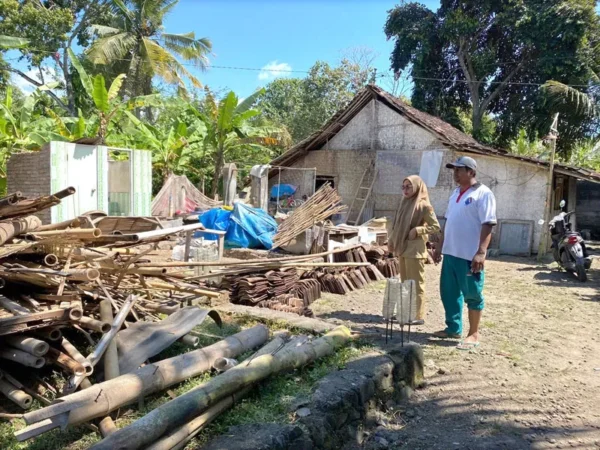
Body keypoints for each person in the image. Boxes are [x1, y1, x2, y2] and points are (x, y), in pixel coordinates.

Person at [433, 156, 497, 350]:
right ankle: (453, 328)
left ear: (471, 172)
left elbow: (488, 224)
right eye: (454, 170)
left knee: (472, 294)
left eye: (459, 170)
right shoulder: (454, 194)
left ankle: (473, 333)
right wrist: (439, 247)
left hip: (469, 255)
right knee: (449, 293)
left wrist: (481, 252)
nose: (456, 174)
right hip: (451, 253)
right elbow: (448, 221)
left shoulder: (483, 194)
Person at [389, 175, 440, 325]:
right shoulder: (404, 203)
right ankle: (405, 312)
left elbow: (436, 226)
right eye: (403, 187)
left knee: (416, 284)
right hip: (403, 248)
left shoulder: (424, 206)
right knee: (405, 283)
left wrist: (418, 230)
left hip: (415, 250)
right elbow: (396, 225)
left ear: (417, 187)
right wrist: (392, 240)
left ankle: (417, 315)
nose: (405, 190)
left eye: (408, 187)